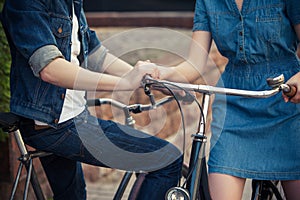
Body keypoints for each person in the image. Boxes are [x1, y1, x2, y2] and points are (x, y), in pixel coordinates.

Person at [0, 1, 183, 200]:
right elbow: (50, 69)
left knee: (74, 196)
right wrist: (124, 83)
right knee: (166, 159)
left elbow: (97, 55)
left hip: (69, 118)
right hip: (56, 125)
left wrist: (146, 79)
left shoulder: (71, 3)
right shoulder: (26, 3)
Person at [158, 0, 300, 199]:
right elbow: (195, 64)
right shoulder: (207, 2)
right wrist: (162, 74)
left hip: (285, 98)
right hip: (233, 106)